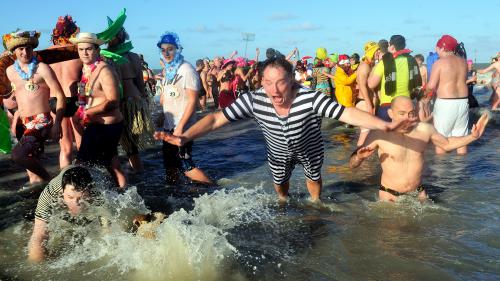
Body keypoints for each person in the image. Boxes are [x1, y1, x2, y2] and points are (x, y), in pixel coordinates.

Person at [156, 57, 412, 202]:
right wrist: (186, 136)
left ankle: (315, 204)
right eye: (268, 83)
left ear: (291, 80)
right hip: (278, 152)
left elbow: (346, 112)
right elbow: (215, 119)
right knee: (281, 185)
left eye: (280, 83)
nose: (275, 90)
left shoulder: (310, 97)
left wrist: (385, 125)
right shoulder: (254, 99)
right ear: (261, 82)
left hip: (310, 148)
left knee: (314, 179)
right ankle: (283, 202)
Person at [349, 96, 489, 202]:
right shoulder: (379, 134)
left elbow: (446, 144)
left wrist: (472, 137)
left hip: (418, 195)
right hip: (390, 197)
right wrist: (359, 158)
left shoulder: (424, 129)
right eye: (402, 114)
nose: (408, 118)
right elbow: (352, 165)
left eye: (411, 113)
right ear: (391, 113)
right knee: (391, 238)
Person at [5, 30, 65, 187]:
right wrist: (16, 115)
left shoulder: (42, 68)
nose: (25, 52)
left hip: (41, 120)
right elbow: (18, 95)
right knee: (31, 167)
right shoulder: (10, 71)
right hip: (23, 122)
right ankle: (41, 196)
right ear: (13, 51)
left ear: (33, 49)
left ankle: (52, 182)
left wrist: (57, 123)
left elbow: (59, 95)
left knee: (18, 155)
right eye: (21, 49)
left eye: (28, 48)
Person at [156, 32, 213, 185]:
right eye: (163, 50)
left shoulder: (187, 70)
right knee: (169, 164)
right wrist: (162, 116)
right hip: (169, 126)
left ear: (177, 49)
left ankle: (213, 188)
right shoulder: (169, 70)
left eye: (170, 49)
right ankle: (173, 194)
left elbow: (193, 100)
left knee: (185, 164)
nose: (166, 53)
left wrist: (180, 126)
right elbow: (170, 97)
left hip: (183, 126)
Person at [69, 32, 125, 186]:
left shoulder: (105, 70)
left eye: (88, 49)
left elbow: (114, 101)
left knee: (82, 164)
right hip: (94, 124)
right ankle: (123, 194)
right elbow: (84, 97)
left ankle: (91, 199)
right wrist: (78, 113)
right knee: (112, 164)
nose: (84, 53)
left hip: (107, 125)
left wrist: (88, 112)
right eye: (81, 50)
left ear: (97, 50)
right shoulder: (85, 70)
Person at [27, 165, 109, 262]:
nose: (76, 204)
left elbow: (107, 231)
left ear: (89, 193)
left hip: (95, 173)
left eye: (81, 198)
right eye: (70, 197)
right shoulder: (49, 194)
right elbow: (39, 235)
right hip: (66, 175)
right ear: (62, 192)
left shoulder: (99, 193)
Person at [105, 21, 153, 174]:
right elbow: (140, 83)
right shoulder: (134, 56)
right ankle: (137, 171)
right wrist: (145, 101)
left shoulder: (108, 58)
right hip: (136, 100)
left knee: (121, 143)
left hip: (122, 102)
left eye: (110, 37)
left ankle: (125, 175)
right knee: (131, 143)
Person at [48, 15, 84, 169]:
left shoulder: (46, 54)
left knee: (65, 148)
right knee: (82, 145)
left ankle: (64, 183)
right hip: (74, 100)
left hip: (55, 101)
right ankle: (86, 180)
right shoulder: (78, 53)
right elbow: (84, 82)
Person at [424, 35, 470, 155]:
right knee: (461, 139)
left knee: (441, 139)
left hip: (446, 103)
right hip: (463, 102)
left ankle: (441, 172)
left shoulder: (439, 63)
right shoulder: (463, 62)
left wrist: (424, 96)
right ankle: (461, 171)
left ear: (441, 48)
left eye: (437, 49)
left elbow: (431, 85)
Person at [368, 35, 422, 122]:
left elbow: (371, 84)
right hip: (406, 106)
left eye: (389, 45)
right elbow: (418, 83)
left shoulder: (385, 62)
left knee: (383, 135)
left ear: (392, 47)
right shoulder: (412, 60)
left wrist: (375, 66)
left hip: (388, 105)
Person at [355, 41, 380, 146]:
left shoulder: (371, 65)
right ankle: (358, 157)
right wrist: (369, 105)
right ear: (372, 52)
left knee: (369, 133)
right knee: (365, 132)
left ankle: (366, 158)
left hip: (367, 102)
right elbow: (362, 86)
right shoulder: (364, 66)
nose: (379, 52)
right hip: (364, 103)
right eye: (377, 50)